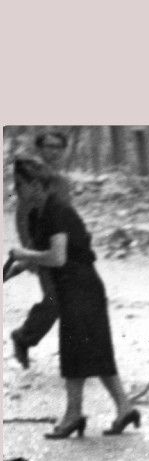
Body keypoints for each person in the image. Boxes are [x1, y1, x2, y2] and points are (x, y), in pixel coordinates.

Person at [6, 156, 140, 438]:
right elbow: (38, 256)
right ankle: (125, 408)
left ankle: (73, 415)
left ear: (34, 185)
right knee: (96, 351)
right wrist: (14, 268)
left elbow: (57, 257)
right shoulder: (39, 214)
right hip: (72, 287)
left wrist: (24, 254)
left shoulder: (57, 210)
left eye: (19, 186)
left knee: (75, 352)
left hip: (82, 287)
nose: (15, 192)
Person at [10, 130, 72, 369]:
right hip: (42, 249)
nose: (54, 151)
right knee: (56, 299)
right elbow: (22, 215)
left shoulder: (62, 181)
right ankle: (24, 337)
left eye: (58, 147)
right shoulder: (31, 177)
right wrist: (29, 250)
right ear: (40, 148)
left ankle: (76, 355)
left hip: (65, 247)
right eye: (49, 146)